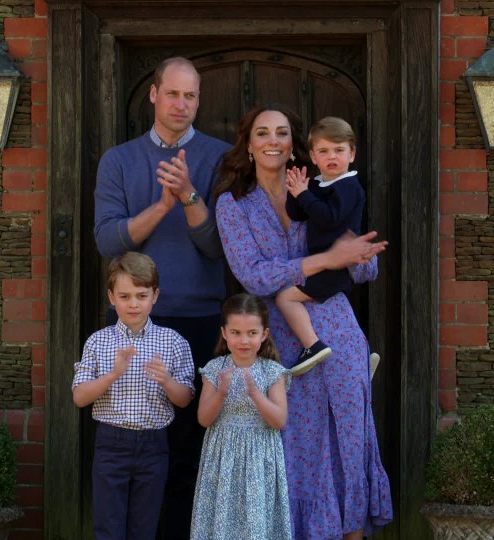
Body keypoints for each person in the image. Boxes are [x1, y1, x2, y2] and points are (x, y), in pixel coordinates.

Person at [213, 105, 393, 539]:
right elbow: (252, 274)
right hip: (280, 343)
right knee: (293, 451)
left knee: (347, 443)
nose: (273, 140)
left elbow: (362, 265)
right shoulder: (232, 205)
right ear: (249, 145)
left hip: (338, 332)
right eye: (262, 133)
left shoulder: (323, 188)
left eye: (281, 133)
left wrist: (355, 258)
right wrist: (327, 259)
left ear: (293, 145)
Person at [93, 56, 231, 538]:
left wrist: (190, 197)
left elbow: (218, 246)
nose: (181, 104)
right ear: (153, 94)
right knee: (137, 446)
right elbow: (110, 242)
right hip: (135, 321)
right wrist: (161, 206)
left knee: (192, 445)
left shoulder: (220, 157)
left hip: (199, 318)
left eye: (190, 96)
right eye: (172, 94)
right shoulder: (119, 160)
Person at [72, 252, 196, 540]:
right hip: (111, 443)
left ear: (155, 296)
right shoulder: (99, 341)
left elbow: (185, 399)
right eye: (125, 296)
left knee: (145, 527)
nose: (133, 304)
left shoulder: (173, 341)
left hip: (154, 445)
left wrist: (166, 381)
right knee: (108, 527)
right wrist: (112, 375)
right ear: (111, 297)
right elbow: (79, 397)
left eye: (141, 295)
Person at [191, 293, 293, 540]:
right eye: (236, 333)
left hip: (260, 456)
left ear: (264, 334)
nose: (244, 340)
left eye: (251, 333)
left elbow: (279, 420)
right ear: (224, 333)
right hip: (223, 456)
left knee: (256, 521)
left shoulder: (272, 371)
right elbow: (204, 419)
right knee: (222, 518)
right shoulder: (215, 369)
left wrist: (256, 394)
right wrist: (222, 392)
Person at [278, 116, 367, 376]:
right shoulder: (319, 184)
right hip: (321, 264)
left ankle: (312, 346)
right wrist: (296, 191)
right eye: (324, 151)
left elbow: (330, 217)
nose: (332, 157)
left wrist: (305, 196)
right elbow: (298, 214)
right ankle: (352, 357)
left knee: (286, 297)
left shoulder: (349, 186)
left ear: (352, 154)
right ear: (314, 157)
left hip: (336, 267)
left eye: (339, 150)